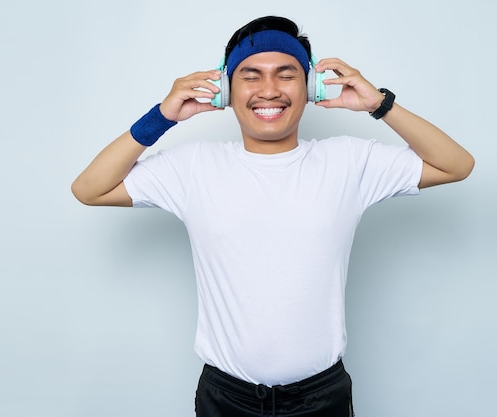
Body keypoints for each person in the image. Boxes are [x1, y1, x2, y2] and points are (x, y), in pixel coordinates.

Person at [71, 15, 474, 417]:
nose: (269, 90)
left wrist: (379, 104)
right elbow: (90, 189)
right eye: (250, 76)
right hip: (225, 397)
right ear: (226, 90)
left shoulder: (349, 161)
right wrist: (161, 116)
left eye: (286, 75)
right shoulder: (193, 167)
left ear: (310, 86)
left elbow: (456, 165)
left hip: (321, 397)